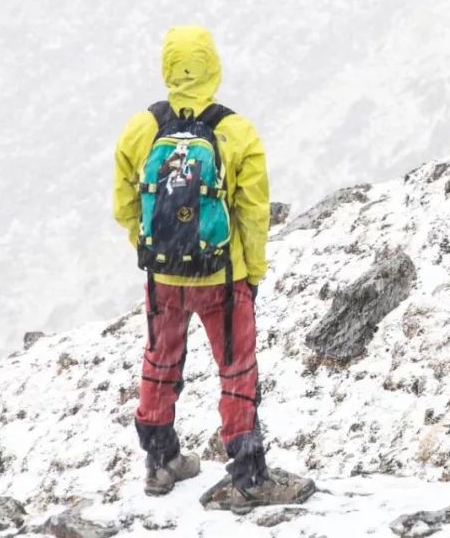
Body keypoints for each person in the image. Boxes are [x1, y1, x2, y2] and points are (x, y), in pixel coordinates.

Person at [113, 26, 314, 512]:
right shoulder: (236, 132)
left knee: (160, 361)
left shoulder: (142, 130)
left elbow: (124, 203)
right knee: (236, 370)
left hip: (163, 277)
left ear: (167, 68)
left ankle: (160, 462)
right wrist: (253, 271)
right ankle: (248, 475)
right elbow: (252, 212)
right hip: (222, 277)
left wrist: (155, 247)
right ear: (213, 67)